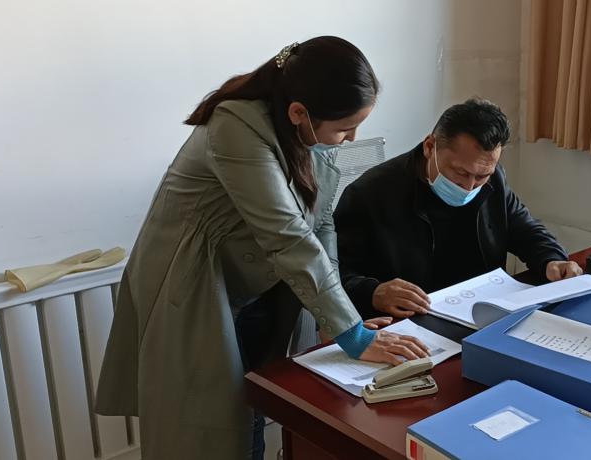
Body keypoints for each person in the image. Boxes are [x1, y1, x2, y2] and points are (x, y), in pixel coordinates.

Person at [95, 37, 429, 460]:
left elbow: (321, 222)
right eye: (345, 128)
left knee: (257, 406)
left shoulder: (309, 136)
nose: (351, 138)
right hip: (196, 288)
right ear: (298, 113)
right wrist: (353, 334)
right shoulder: (235, 127)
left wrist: (335, 319)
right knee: (210, 431)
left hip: (260, 286)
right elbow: (287, 234)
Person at [334, 98, 582, 319]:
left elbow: (524, 229)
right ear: (429, 147)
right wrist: (373, 292)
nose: (469, 186)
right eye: (460, 172)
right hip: (408, 323)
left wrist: (552, 259)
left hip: (479, 314)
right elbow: (331, 275)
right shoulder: (369, 194)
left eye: (482, 175)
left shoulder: (494, 181)